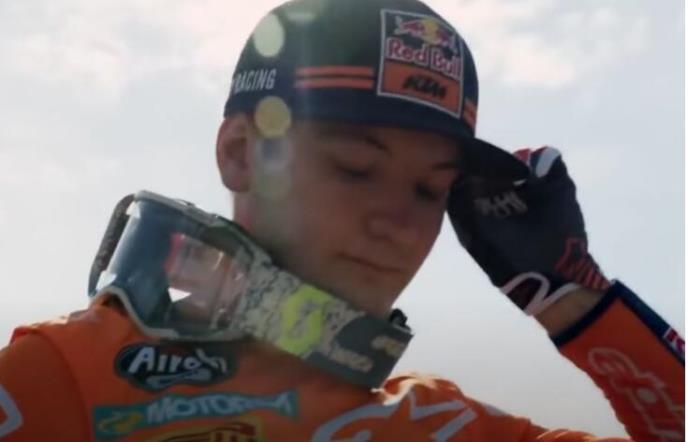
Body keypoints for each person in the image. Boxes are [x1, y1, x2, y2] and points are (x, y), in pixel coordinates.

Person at [0, 0, 683, 440]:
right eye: (356, 168)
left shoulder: (439, 425)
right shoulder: (62, 376)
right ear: (240, 153)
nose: (400, 226)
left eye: (430, 190)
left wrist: (575, 300)